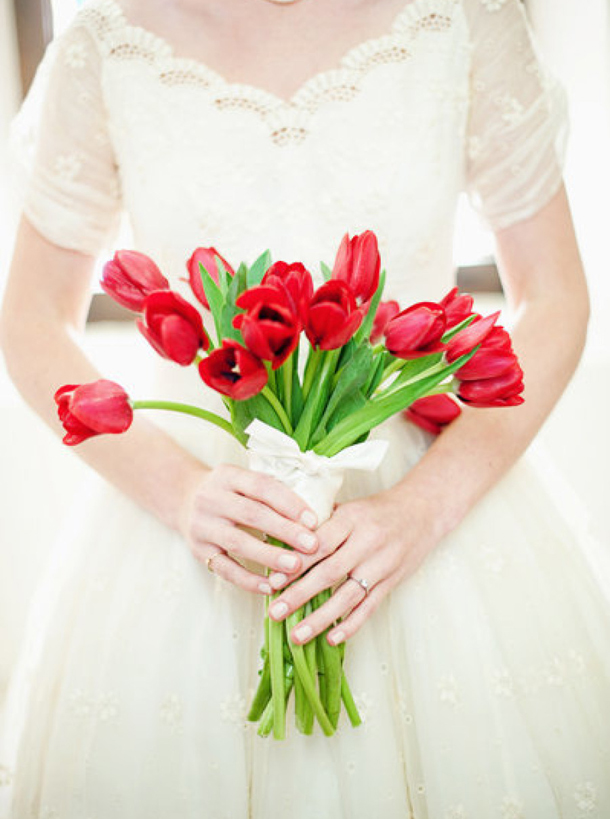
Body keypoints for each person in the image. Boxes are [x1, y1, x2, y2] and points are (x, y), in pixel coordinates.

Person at [1, 0, 609, 816]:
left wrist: (421, 510)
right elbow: (32, 319)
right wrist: (181, 493)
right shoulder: (110, 43)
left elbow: (558, 296)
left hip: (427, 502)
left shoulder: (465, 18)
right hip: (201, 512)